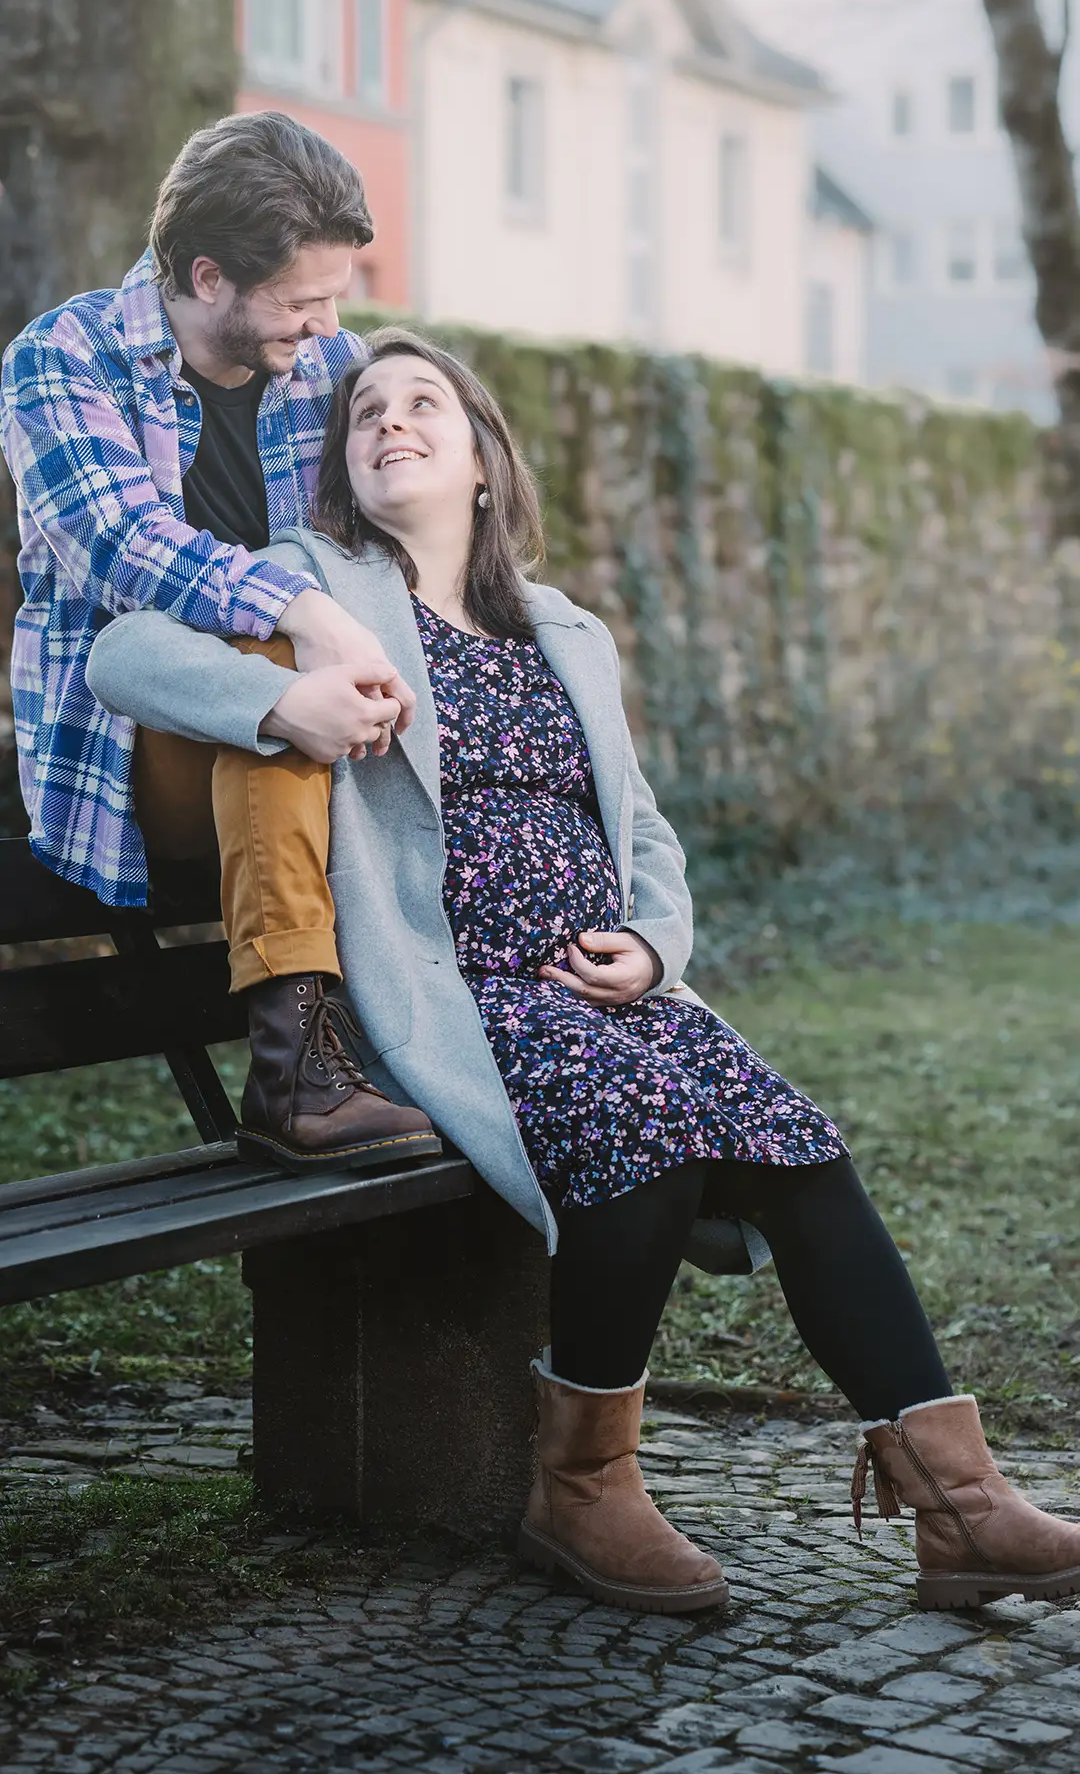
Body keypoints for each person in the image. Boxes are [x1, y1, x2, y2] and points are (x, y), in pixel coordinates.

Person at [86, 330, 1080, 1618]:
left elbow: (647, 833)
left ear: (487, 461)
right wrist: (289, 704)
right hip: (458, 996)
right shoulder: (310, 583)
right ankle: (584, 1489)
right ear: (341, 466)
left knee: (800, 1147)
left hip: (607, 993)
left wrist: (654, 944)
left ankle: (963, 1510)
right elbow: (124, 656)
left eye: (423, 401)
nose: (389, 421)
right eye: (364, 412)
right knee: (647, 1129)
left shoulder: (566, 632)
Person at [0, 110, 436, 1170]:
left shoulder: (331, 368)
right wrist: (310, 618)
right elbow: (122, 550)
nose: (330, 324)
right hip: (131, 750)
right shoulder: (63, 360)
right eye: (302, 299)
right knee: (271, 689)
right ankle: (296, 1068)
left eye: (337, 293)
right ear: (206, 278)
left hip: (329, 751)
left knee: (316, 693)